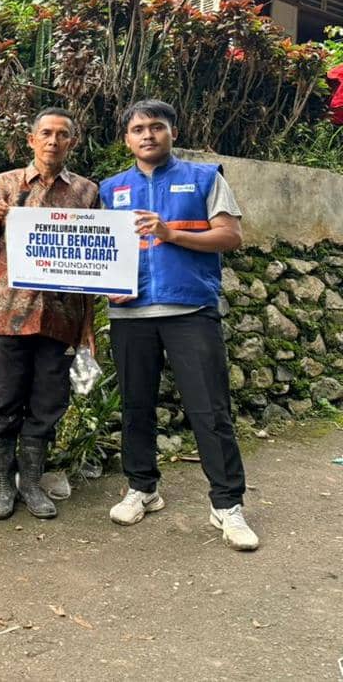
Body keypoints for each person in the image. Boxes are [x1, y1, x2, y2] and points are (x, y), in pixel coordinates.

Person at [100, 99, 258, 551]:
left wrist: (171, 234)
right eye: (137, 129)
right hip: (129, 312)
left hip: (190, 310)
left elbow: (231, 236)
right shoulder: (110, 188)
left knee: (210, 410)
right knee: (135, 407)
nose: (147, 135)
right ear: (126, 139)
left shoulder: (205, 177)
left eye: (156, 127)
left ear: (172, 132)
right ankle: (142, 488)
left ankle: (227, 505)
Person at [0, 107, 99, 520]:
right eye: (46, 133)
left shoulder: (86, 192)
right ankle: (5, 486)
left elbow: (95, 263)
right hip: (9, 314)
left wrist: (88, 327)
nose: (53, 141)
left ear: (72, 143)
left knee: (48, 402)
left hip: (62, 318)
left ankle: (32, 483)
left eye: (62, 134)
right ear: (31, 139)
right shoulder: (3, 185)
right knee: (3, 402)